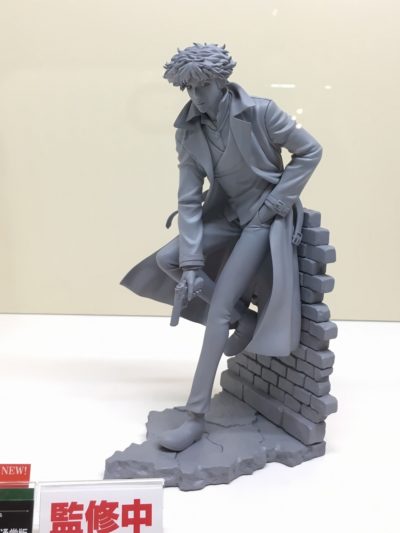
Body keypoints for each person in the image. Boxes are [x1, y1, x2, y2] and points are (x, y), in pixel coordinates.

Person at [121, 43, 322, 452]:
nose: (196, 96)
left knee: (216, 313)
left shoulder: (262, 112)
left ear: (220, 81)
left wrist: (276, 203)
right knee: (169, 260)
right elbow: (188, 198)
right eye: (188, 89)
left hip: (262, 220)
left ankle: (195, 417)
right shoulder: (188, 131)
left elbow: (310, 150)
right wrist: (193, 263)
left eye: (202, 86)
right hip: (225, 215)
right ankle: (242, 320)